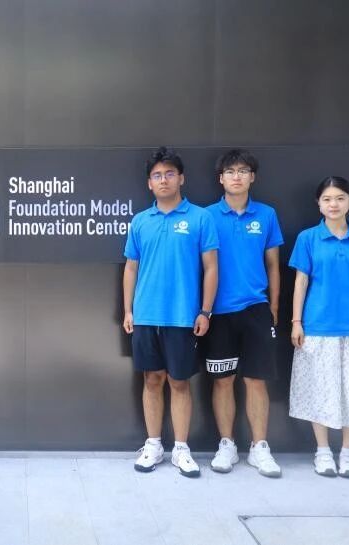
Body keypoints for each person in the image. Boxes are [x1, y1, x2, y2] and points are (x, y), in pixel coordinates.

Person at [123, 146, 219, 478]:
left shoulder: (200, 218)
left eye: (169, 174)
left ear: (181, 178)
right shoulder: (140, 221)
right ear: (149, 183)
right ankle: (153, 445)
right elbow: (131, 268)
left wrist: (205, 311)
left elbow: (211, 267)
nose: (163, 180)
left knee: (179, 382)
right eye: (157, 175)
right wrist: (128, 310)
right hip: (146, 316)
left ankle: (181, 448)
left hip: (183, 317)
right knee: (152, 380)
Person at [289, 176, 349, 479]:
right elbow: (301, 282)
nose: (334, 204)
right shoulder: (308, 238)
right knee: (319, 390)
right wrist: (296, 322)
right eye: (328, 199)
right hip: (317, 327)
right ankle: (322, 452)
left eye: (340, 198)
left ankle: (348, 453)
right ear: (318, 203)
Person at [204, 149, 284, 478]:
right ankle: (227, 444)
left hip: (256, 309)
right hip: (218, 312)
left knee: (256, 380)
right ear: (220, 178)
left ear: (253, 177)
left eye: (243, 170)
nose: (236, 176)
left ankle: (259, 447)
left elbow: (273, 265)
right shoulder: (206, 216)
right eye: (230, 171)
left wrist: (273, 307)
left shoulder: (266, 215)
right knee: (222, 381)